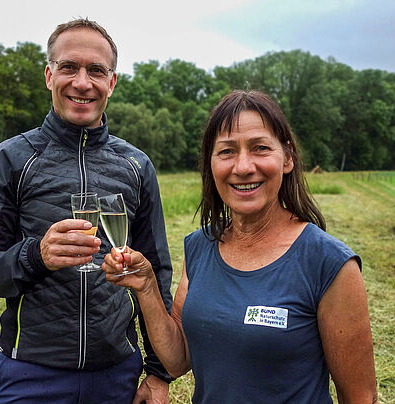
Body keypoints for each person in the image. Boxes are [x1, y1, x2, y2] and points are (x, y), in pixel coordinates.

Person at [103, 90, 378, 403]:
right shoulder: (200, 246)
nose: (244, 167)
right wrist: (148, 287)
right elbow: (178, 359)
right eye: (227, 151)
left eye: (260, 148)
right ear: (211, 163)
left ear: (287, 157)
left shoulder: (329, 262)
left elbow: (361, 397)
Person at [0, 18, 174, 403]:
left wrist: (158, 374)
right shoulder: (12, 159)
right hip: (29, 373)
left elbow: (155, 274)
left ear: (111, 82)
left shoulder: (136, 166)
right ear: (48, 75)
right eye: (69, 67)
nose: (82, 82)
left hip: (116, 374)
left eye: (96, 70)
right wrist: (36, 255)